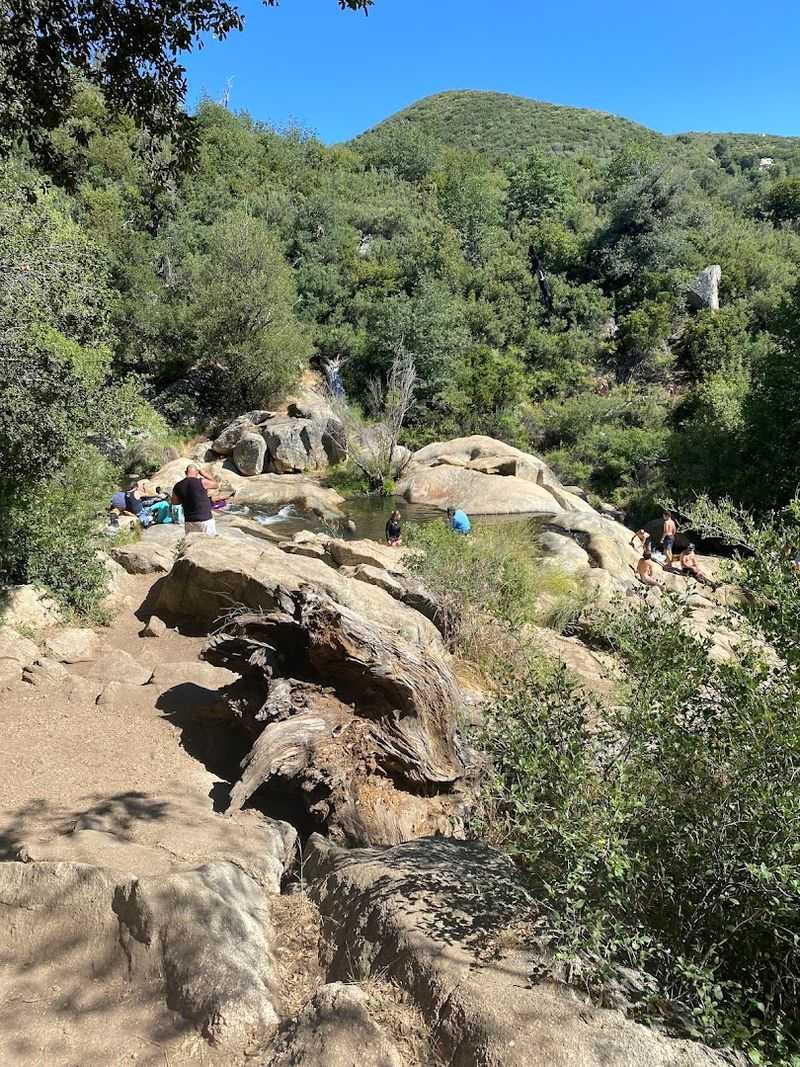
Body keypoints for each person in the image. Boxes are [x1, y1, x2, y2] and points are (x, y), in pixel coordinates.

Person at [171, 465, 219, 535]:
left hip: (189, 521)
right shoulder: (202, 482)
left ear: (185, 472)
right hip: (205, 520)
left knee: (192, 544)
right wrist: (204, 474)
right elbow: (216, 485)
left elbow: (174, 502)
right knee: (210, 542)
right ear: (197, 473)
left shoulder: (177, 486)